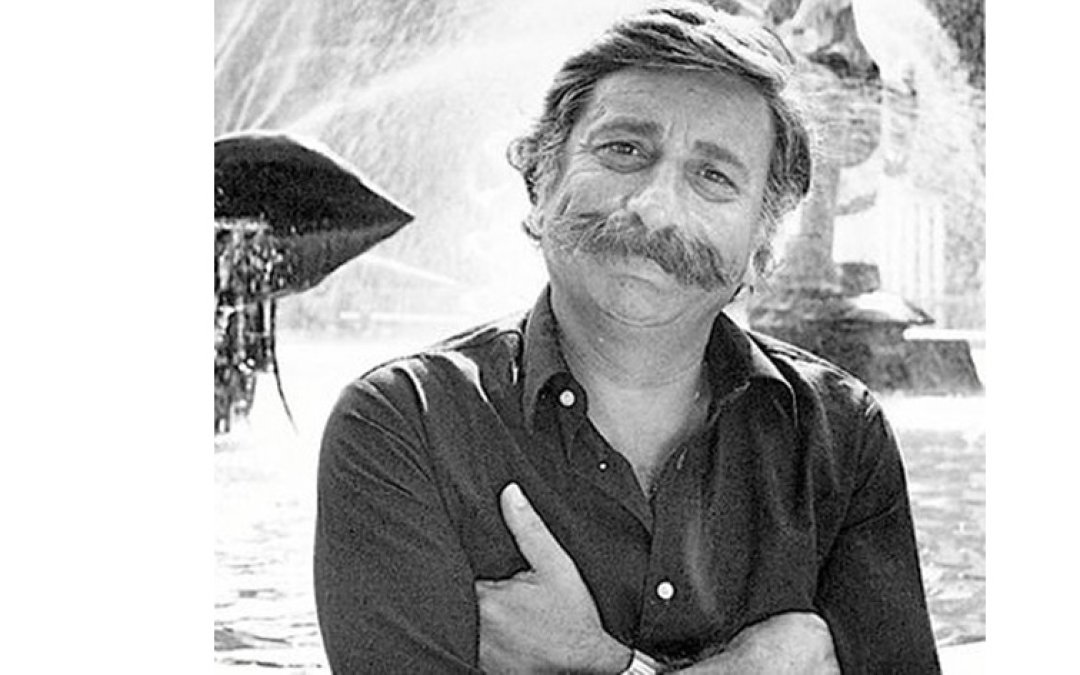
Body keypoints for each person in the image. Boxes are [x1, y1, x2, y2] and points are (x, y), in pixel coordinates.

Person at [314, 2, 940, 673]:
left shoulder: (840, 439)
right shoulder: (403, 424)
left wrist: (595, 659)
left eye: (714, 176)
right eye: (624, 150)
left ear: (762, 246)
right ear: (542, 177)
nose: (655, 206)